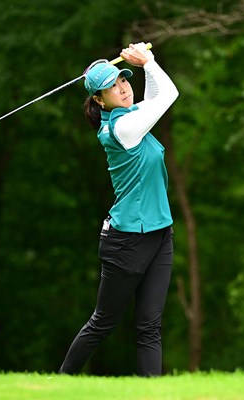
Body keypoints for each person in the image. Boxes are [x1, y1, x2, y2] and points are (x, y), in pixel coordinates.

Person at [58, 42, 179, 376]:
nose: (123, 88)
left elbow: (155, 99)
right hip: (126, 240)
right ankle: (60, 382)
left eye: (123, 80)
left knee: (150, 327)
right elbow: (169, 96)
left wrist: (145, 67)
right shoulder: (122, 128)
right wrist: (149, 61)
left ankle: (151, 395)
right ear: (99, 100)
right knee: (103, 322)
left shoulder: (132, 116)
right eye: (111, 87)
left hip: (159, 233)